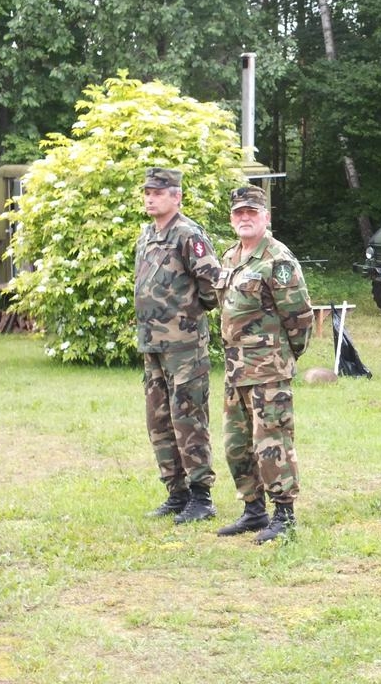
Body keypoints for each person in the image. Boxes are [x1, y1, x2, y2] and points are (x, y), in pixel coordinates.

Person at [215, 186, 313, 544]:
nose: (245, 218)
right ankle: (253, 510)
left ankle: (283, 514)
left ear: (265, 218)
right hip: (236, 369)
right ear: (232, 219)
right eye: (239, 213)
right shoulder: (230, 258)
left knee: (271, 443)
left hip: (268, 370)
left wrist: (285, 357)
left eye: (252, 213)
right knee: (236, 444)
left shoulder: (278, 261)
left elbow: (299, 317)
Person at [134, 166, 220, 524]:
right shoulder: (147, 236)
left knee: (188, 418)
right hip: (153, 345)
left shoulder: (188, 235)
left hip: (184, 346)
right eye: (148, 191)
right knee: (159, 420)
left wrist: (189, 316)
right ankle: (176, 491)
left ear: (176, 196)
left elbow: (212, 286)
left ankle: (201, 497)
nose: (151, 196)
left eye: (158, 191)